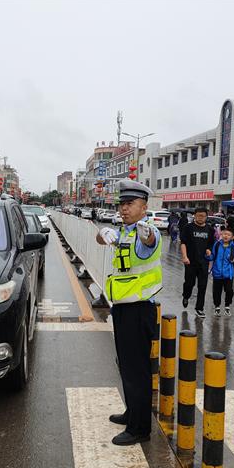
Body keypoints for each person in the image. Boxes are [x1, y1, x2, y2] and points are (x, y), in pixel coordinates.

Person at [96, 179, 162, 446]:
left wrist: (147, 231)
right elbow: (101, 239)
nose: (124, 209)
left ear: (143, 208)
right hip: (123, 308)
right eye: (122, 204)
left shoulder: (145, 233)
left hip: (138, 310)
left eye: (130, 204)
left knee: (137, 370)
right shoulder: (123, 232)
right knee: (125, 365)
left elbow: (150, 239)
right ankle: (132, 412)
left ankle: (139, 428)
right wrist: (103, 233)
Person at [180, 207, 215, 318]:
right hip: (190, 261)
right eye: (199, 215)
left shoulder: (210, 230)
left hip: (203, 262)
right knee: (189, 283)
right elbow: (183, 243)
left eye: (203, 216)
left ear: (206, 217)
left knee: (202, 286)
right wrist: (184, 256)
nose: (201, 218)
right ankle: (186, 296)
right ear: (194, 216)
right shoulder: (188, 227)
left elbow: (210, 244)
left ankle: (199, 308)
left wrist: (209, 250)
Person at [207, 227, 234, 317]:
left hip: (228, 274)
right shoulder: (217, 245)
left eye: (228, 234)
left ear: (232, 237)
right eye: (224, 234)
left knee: (229, 291)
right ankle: (217, 307)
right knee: (216, 292)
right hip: (217, 273)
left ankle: (227, 306)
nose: (226, 236)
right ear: (221, 235)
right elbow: (212, 257)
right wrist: (208, 255)